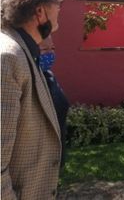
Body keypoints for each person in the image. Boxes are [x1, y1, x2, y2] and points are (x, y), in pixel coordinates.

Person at [1, 0, 63, 199]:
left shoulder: (24, 50)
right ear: (40, 11)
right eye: (57, 0)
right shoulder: (7, 57)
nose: (60, 6)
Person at [39, 36, 70, 167]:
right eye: (45, 49)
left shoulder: (49, 76)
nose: (50, 53)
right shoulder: (30, 79)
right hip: (38, 162)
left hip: (54, 160)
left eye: (53, 48)